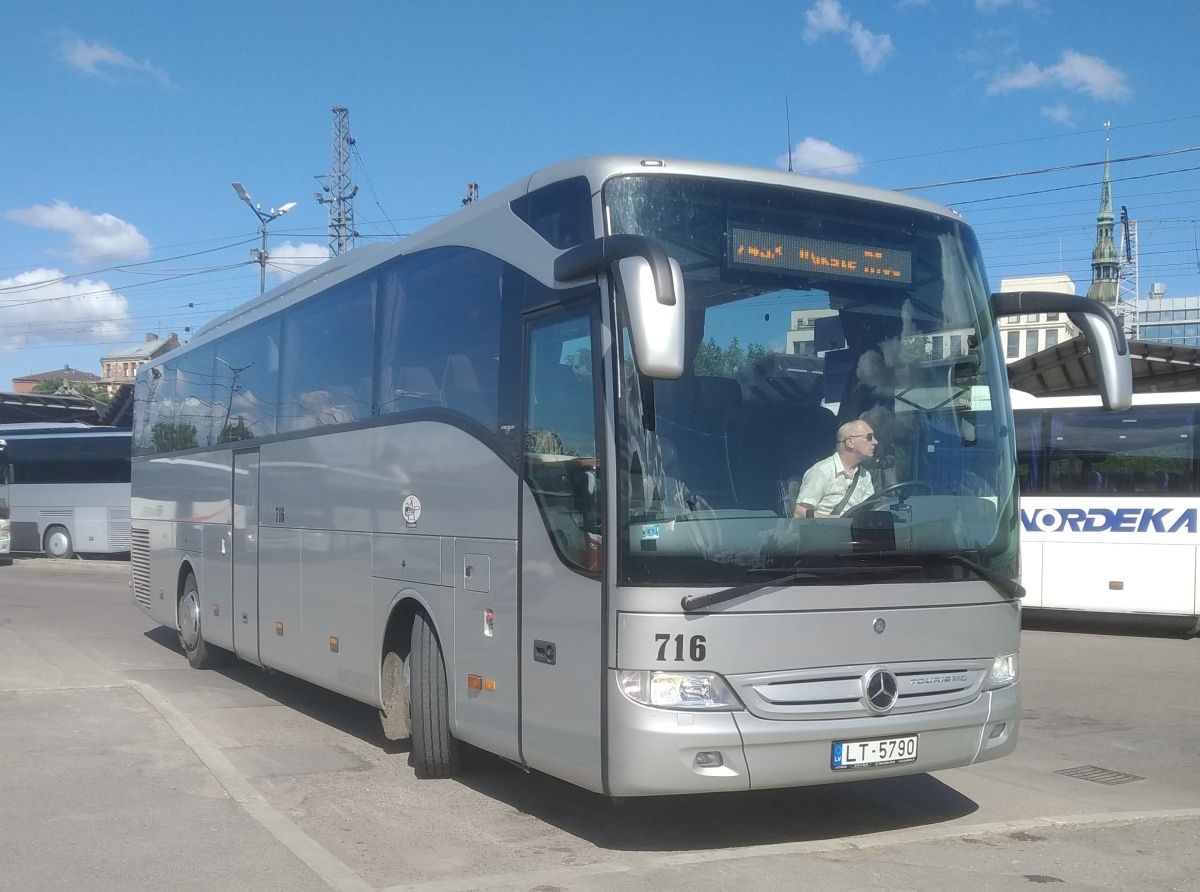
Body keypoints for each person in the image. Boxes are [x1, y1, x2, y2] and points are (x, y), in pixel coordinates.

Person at [792, 419, 877, 518]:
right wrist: (836, 520)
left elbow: (870, 510)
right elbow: (800, 513)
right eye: (869, 437)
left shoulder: (864, 475)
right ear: (850, 442)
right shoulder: (821, 472)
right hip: (824, 532)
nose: (875, 442)